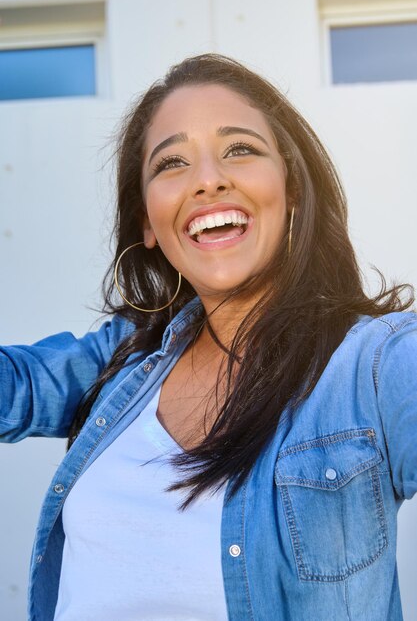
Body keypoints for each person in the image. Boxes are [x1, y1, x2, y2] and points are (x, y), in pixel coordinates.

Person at [1, 53, 416, 621]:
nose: (207, 179)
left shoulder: (372, 364)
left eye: (240, 149)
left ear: (292, 188)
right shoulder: (126, 358)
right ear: (147, 221)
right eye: (171, 162)